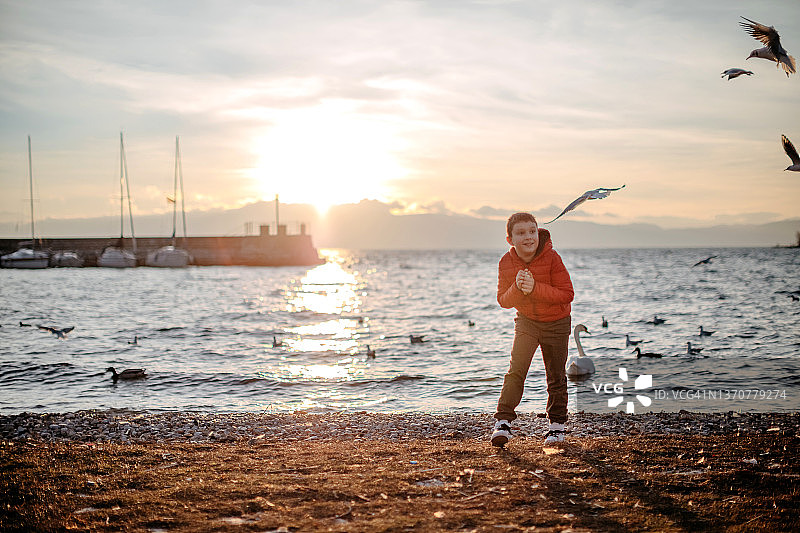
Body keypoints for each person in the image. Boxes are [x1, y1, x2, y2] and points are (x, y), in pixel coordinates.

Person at [492, 212, 574, 447]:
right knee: (516, 371)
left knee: (556, 376)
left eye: (532, 231)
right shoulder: (506, 263)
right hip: (527, 321)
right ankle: (503, 423)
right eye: (521, 233)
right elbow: (503, 301)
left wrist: (535, 288)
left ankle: (557, 427)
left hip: (557, 322)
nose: (528, 237)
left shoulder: (552, 258)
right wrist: (518, 288)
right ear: (510, 239)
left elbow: (567, 294)